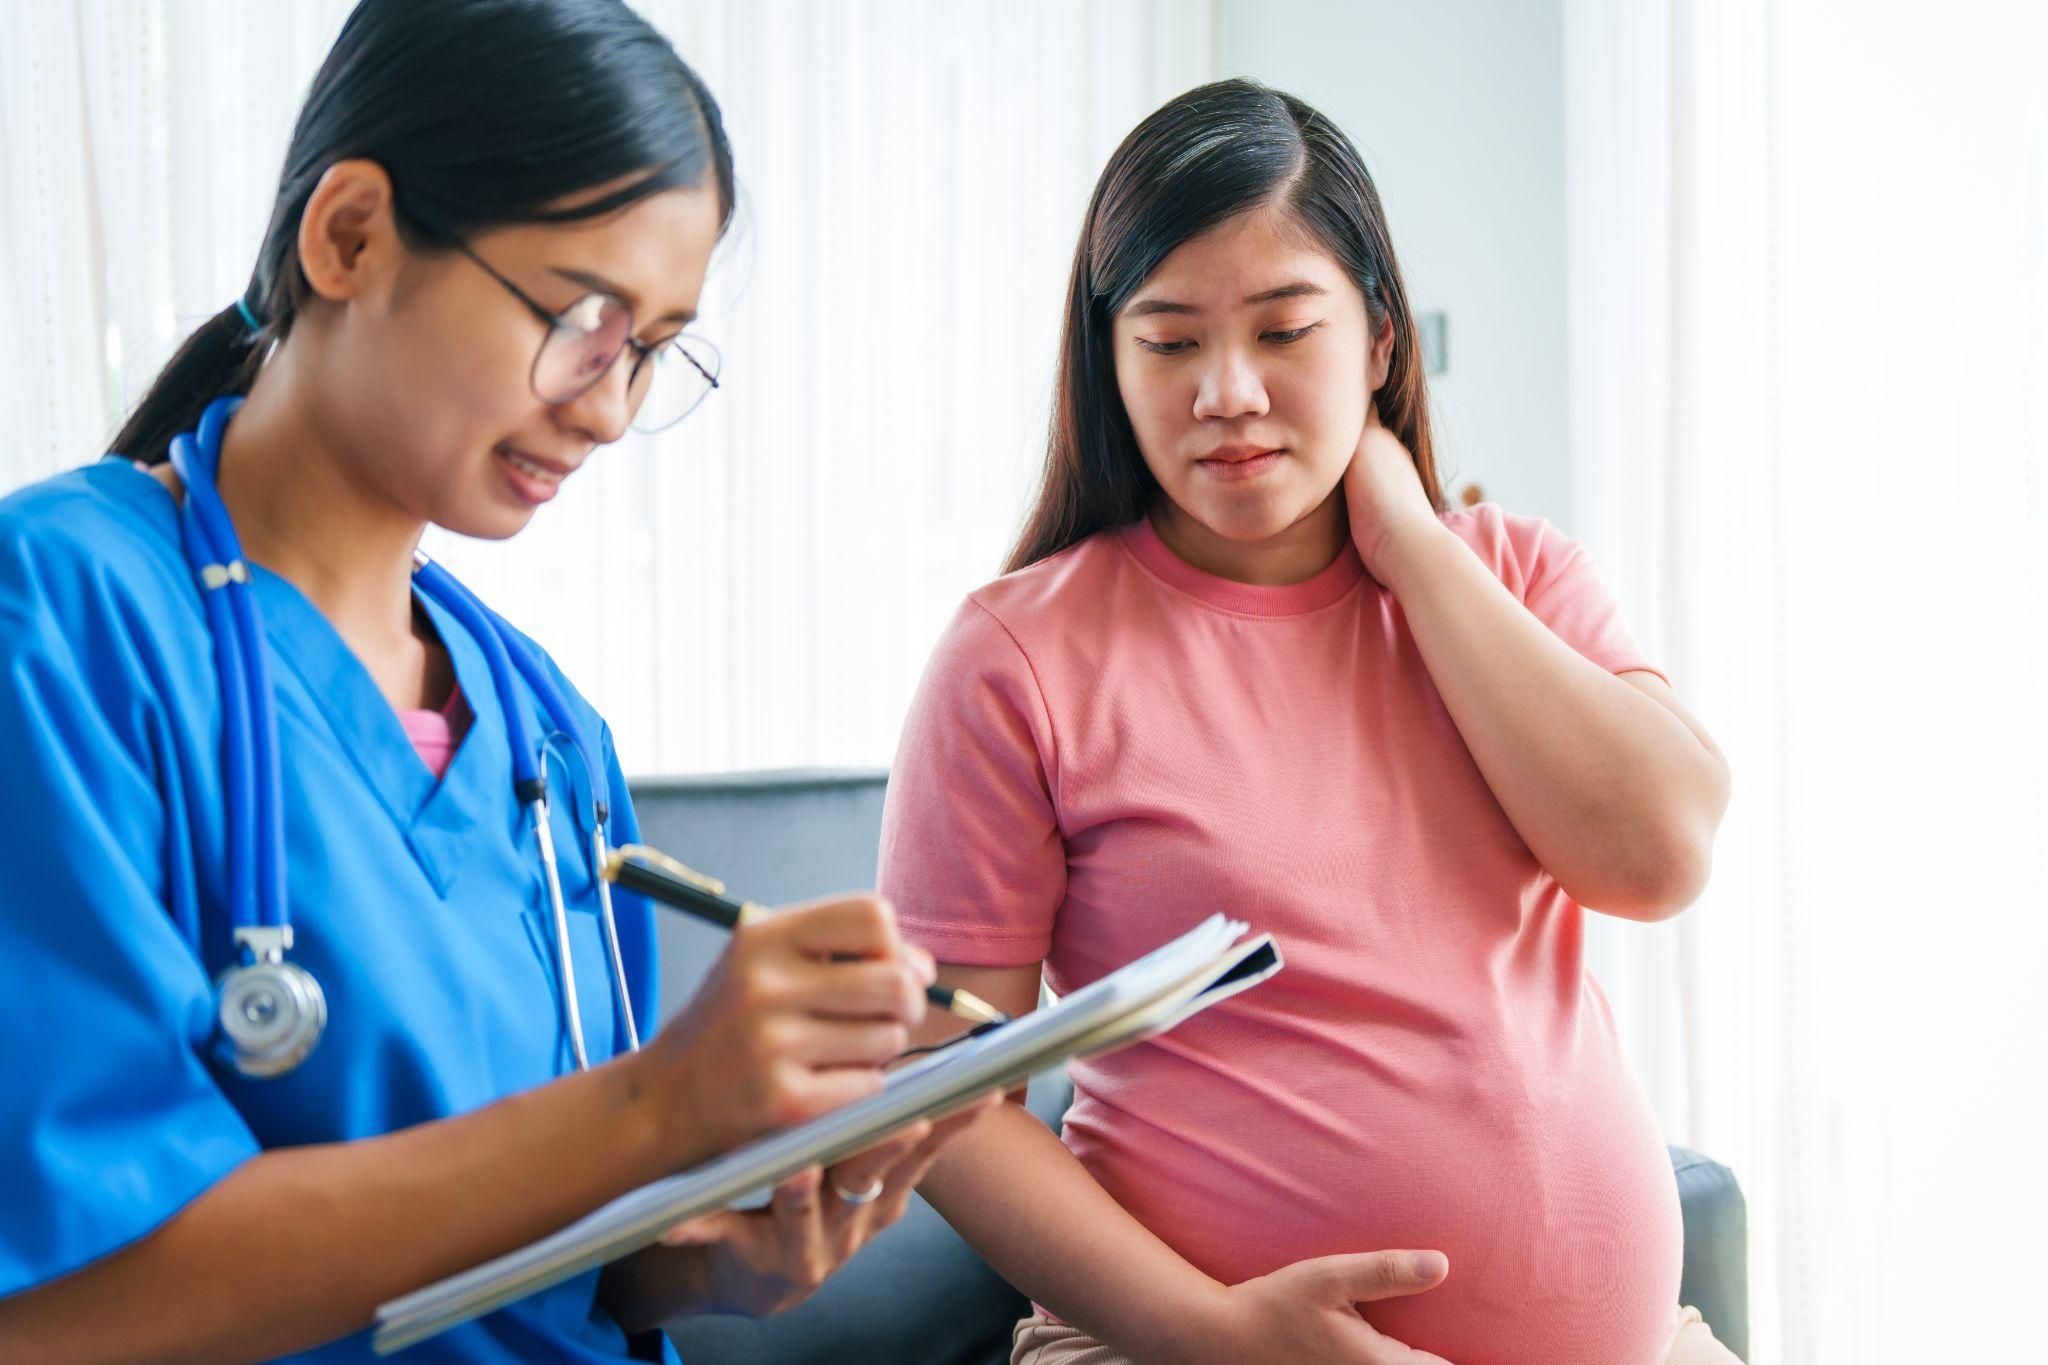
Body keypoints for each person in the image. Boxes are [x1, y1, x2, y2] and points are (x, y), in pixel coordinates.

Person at [0, 2, 992, 1360]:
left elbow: (566, 1234)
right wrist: (656, 1106)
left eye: (652, 347)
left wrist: (703, 1262)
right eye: (583, 319)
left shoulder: (544, 734)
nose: (608, 405)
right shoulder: (62, 613)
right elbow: (66, 1304)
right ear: (349, 235)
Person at [882, 80, 1737, 1365]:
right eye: (1168, 343)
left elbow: (1656, 853)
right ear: (1108, 364)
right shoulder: (1018, 657)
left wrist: (1409, 546)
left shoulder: (1514, 578)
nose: (1227, 390)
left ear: (1379, 344)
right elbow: (938, 1090)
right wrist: (1217, 1334)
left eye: (1284, 331)